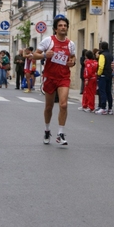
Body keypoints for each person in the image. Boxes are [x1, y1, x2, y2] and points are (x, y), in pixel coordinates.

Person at [33, 17, 76, 145]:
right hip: (50, 77)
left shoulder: (70, 44)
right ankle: (47, 130)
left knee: (63, 105)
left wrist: (71, 63)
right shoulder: (48, 41)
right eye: (61, 25)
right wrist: (45, 55)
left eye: (65, 25)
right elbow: (35, 55)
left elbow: (73, 58)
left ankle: (60, 133)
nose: (63, 27)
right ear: (56, 28)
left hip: (63, 77)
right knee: (49, 106)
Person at [95, 42, 114, 115]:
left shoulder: (102, 55)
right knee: (108, 91)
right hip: (109, 75)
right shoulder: (110, 55)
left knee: (102, 91)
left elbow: (101, 66)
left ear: (101, 47)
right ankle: (110, 108)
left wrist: (98, 73)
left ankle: (103, 107)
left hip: (103, 75)